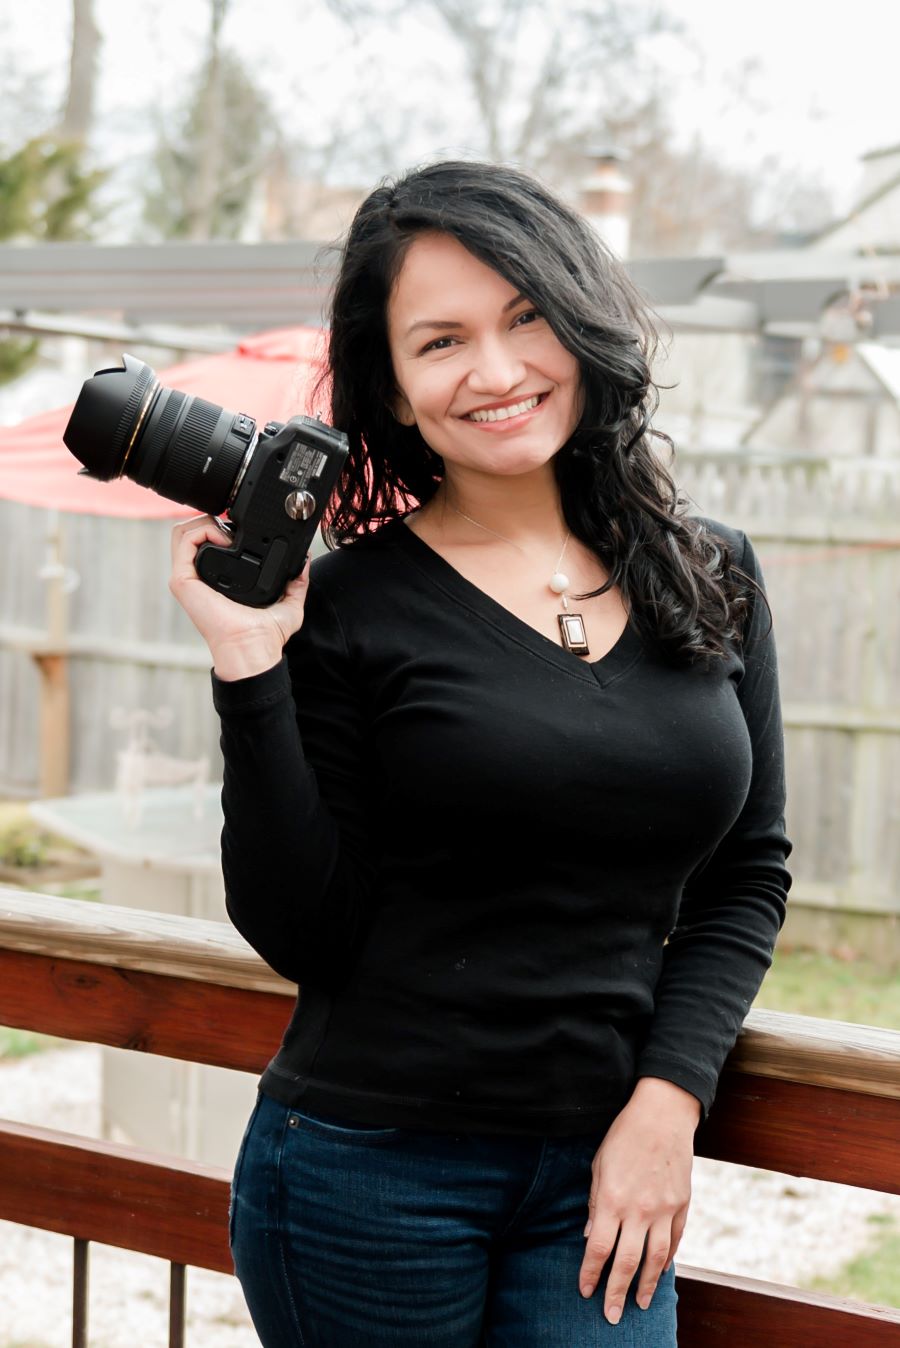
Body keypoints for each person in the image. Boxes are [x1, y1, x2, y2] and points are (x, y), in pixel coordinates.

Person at [169, 159, 792, 1347]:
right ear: (396, 391)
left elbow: (746, 874)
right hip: (368, 1170)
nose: (498, 373)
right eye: (441, 341)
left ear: (582, 324)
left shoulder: (715, 575)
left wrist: (670, 1104)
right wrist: (251, 669)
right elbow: (301, 932)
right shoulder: (342, 607)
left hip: (604, 1177)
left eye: (524, 318)